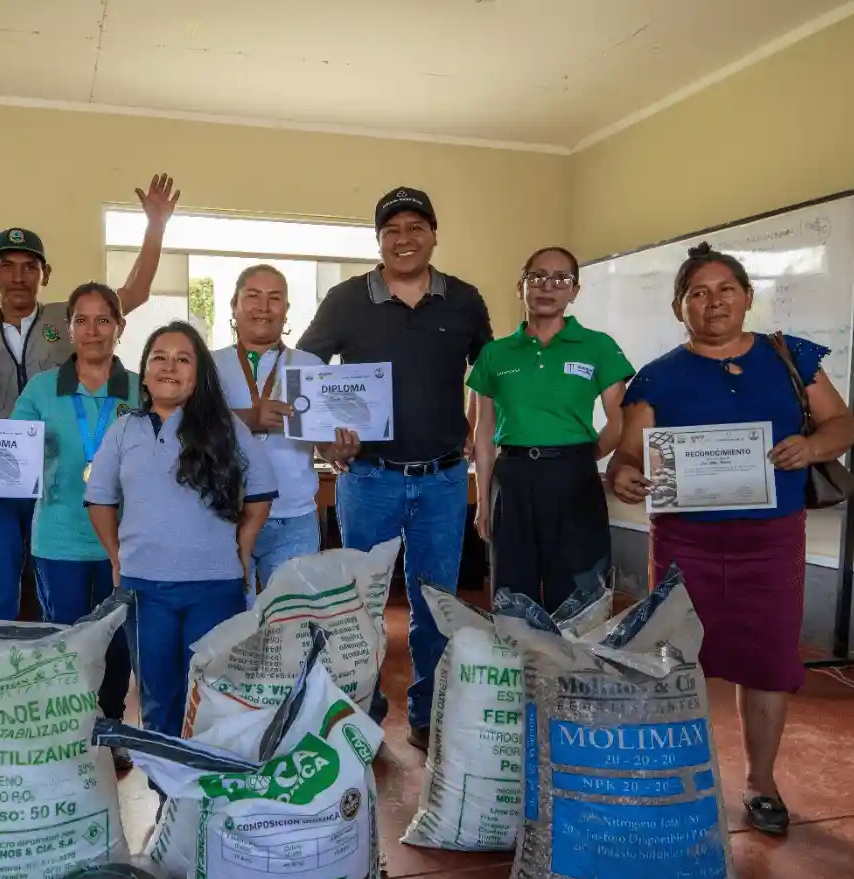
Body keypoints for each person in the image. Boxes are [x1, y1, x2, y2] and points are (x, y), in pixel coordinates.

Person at [607, 242, 854, 836]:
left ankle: (760, 782)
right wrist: (622, 475)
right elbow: (627, 452)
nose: (712, 301)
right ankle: (674, 775)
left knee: (767, 661)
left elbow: (842, 423)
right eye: (697, 292)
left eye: (725, 289)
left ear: (747, 297)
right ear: (680, 308)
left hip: (771, 540)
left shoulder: (791, 356)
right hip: (684, 541)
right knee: (673, 658)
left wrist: (814, 447)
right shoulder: (658, 375)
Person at [298, 187, 493, 749]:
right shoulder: (345, 300)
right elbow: (307, 375)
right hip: (368, 477)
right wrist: (325, 437)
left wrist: (483, 460)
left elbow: (487, 380)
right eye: (392, 230)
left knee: (437, 604)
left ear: (434, 233)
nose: (404, 239)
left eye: (416, 227)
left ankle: (429, 716)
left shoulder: (464, 300)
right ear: (378, 240)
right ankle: (363, 716)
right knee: (360, 606)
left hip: (444, 480)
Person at [0, 282, 137, 767]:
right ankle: (76, 730)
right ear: (69, 328)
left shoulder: (139, 389)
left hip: (125, 542)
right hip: (58, 538)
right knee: (65, 641)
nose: (93, 330)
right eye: (82, 320)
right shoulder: (42, 389)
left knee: (118, 640)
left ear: (120, 328)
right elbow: (1, 450)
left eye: (105, 320)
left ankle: (114, 725)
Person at [0, 175, 181, 622]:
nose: (18, 276)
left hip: (62, 483)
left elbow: (134, 291)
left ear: (44, 274)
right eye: (6, 266)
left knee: (57, 597)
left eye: (29, 266)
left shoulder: (70, 316)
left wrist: (155, 227)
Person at [85, 322, 277, 737]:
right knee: (158, 695)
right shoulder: (124, 430)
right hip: (144, 589)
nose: (169, 367)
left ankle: (205, 792)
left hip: (215, 586)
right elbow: (99, 499)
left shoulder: (226, 428)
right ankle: (166, 793)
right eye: (159, 357)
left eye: (183, 358)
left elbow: (261, 493)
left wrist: (243, 549)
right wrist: (117, 558)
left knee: (213, 694)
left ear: (200, 373)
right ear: (146, 369)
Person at [470, 246, 633, 611]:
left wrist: (584, 455)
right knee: (513, 592)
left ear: (574, 291)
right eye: (537, 277)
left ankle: (574, 667)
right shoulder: (495, 354)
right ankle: (521, 664)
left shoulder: (598, 347)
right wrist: (483, 500)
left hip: (574, 480)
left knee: (579, 592)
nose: (548, 286)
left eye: (561, 279)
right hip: (512, 478)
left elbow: (621, 419)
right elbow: (483, 432)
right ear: (520, 287)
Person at [213, 264, 332, 596]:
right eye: (252, 296)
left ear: (286, 310)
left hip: (294, 517)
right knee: (233, 624)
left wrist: (341, 449)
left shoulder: (311, 367)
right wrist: (251, 417)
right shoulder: (207, 364)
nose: (263, 307)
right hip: (223, 516)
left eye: (274, 298)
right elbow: (189, 428)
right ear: (234, 306)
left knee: (293, 625)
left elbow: (325, 445)